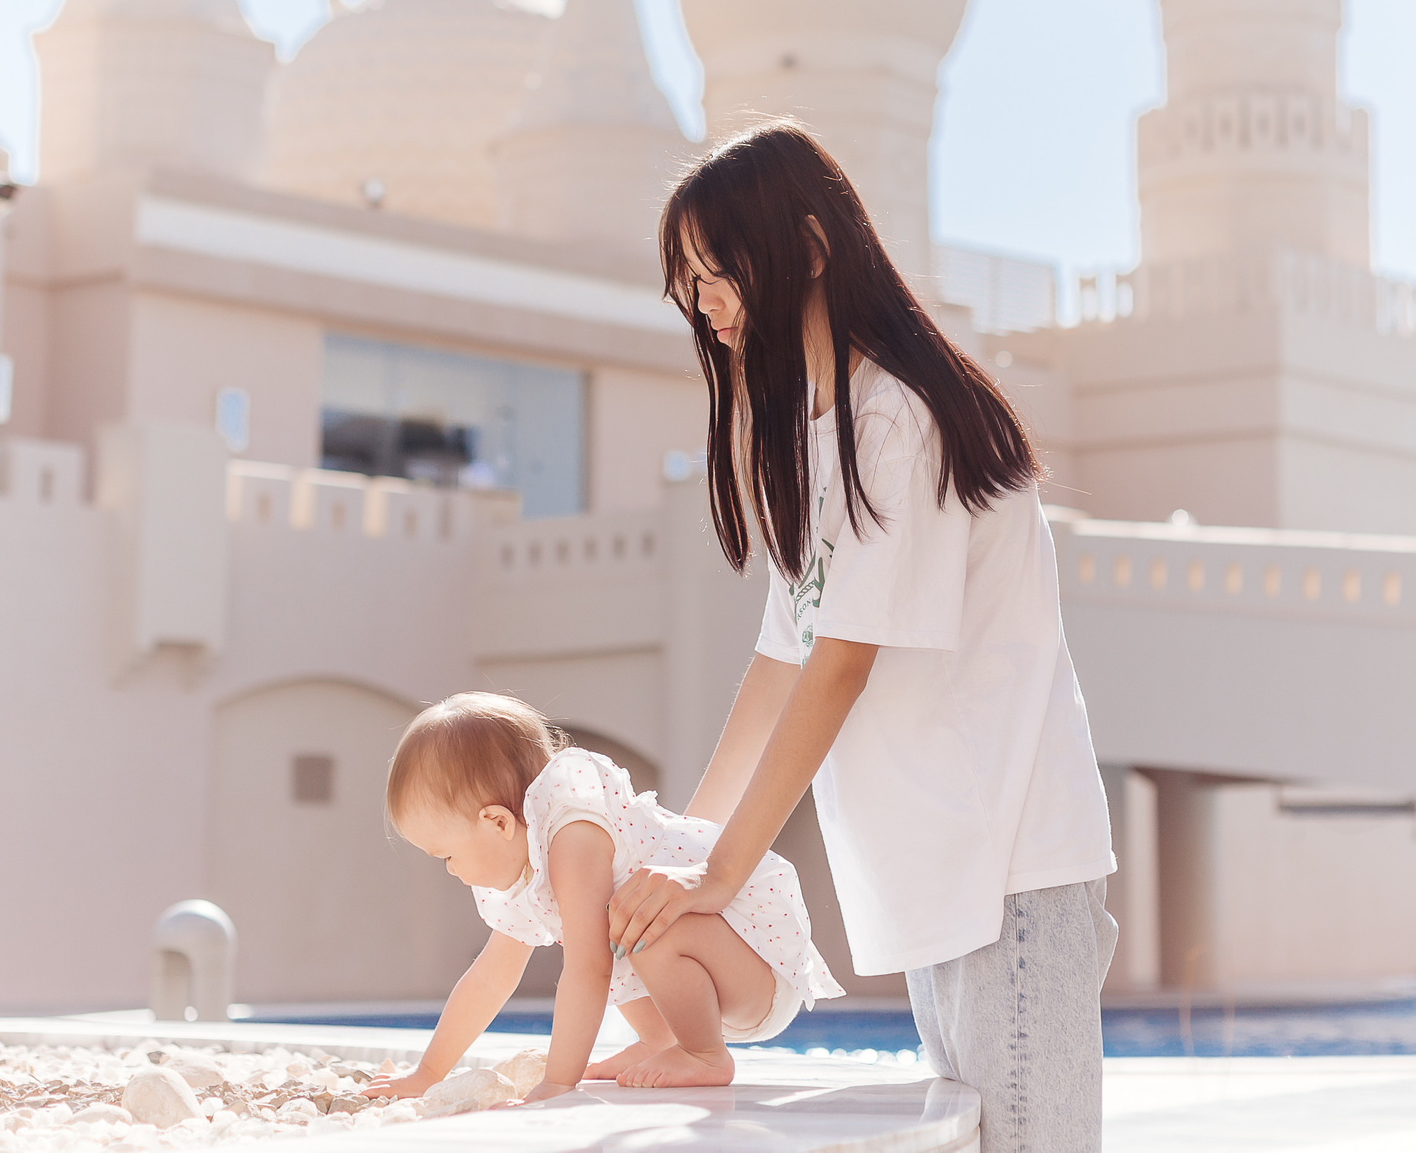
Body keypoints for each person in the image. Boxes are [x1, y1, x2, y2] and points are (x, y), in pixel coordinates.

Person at [615, 120, 1119, 1153]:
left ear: (806, 248)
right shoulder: (818, 434)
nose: (704, 301)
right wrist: (683, 851)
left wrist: (719, 876)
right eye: (689, 281)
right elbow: (779, 665)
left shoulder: (901, 417)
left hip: (1011, 867)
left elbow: (840, 665)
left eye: (718, 269)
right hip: (945, 870)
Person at [361, 691, 841, 1102]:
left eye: (447, 856)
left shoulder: (573, 834)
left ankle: (704, 1053)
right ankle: (660, 1039)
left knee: (631, 923)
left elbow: (587, 970)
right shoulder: (527, 868)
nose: (451, 870)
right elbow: (490, 978)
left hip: (754, 970)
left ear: (498, 822)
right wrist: (427, 1074)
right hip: (714, 985)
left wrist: (558, 1082)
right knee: (615, 925)